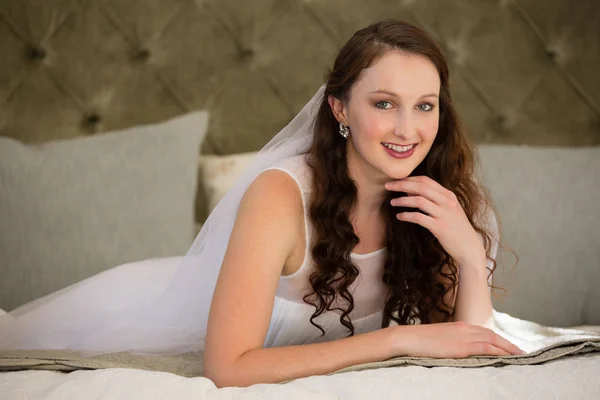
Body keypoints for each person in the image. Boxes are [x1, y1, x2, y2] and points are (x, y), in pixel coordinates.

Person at [0, 19, 523, 387]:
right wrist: (397, 342)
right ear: (340, 107)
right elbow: (227, 368)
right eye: (384, 104)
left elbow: (468, 344)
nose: (407, 129)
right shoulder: (281, 194)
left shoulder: (438, 197)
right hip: (147, 311)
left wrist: (470, 257)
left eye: (424, 106)